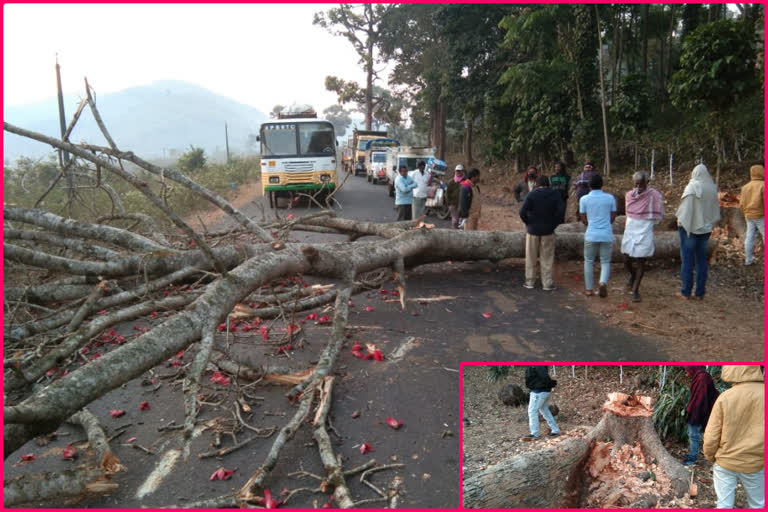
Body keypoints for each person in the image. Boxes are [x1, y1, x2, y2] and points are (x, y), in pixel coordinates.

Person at [703, 365, 764, 509]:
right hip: (755, 463)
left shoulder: (726, 397)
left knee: (724, 505)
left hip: (725, 461)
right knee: (758, 504)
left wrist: (711, 457)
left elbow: (711, 435)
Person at [676, 164, 720, 300]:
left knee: (687, 260)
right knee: (701, 261)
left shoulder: (692, 187)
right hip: (705, 229)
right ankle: (700, 293)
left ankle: (686, 292)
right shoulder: (712, 188)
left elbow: (685, 211)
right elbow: (714, 210)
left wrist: (681, 222)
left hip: (690, 229)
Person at [621, 171, 664, 302]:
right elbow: (628, 213)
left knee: (641, 261)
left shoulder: (655, 195)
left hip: (645, 230)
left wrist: (647, 220)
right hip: (630, 230)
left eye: (641, 184)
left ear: (647, 183)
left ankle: (635, 290)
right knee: (625, 259)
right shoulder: (629, 195)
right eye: (636, 184)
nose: (639, 187)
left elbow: (658, 214)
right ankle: (633, 276)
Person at [519, 175, 565, 291]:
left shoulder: (532, 194)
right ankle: (547, 283)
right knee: (547, 258)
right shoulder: (555, 194)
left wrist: (528, 222)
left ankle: (529, 282)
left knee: (531, 257)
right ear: (548, 183)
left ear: (537, 184)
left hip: (533, 230)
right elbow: (561, 212)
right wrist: (554, 224)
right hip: (548, 230)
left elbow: (522, 211)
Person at [579, 174, 617, 297]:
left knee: (589, 261)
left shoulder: (584, 199)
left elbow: (583, 218)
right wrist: (605, 224)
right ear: (602, 185)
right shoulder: (610, 198)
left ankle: (589, 289)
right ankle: (602, 282)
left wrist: (590, 224)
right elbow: (612, 217)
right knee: (605, 261)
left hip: (591, 234)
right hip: (606, 233)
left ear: (589, 185)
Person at [682, 365, 719, 466]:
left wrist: (695, 413)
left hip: (700, 409)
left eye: (686, 371)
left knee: (694, 435)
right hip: (698, 408)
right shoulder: (698, 377)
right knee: (693, 434)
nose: (686, 373)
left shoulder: (702, 378)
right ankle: (692, 455)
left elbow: (701, 397)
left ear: (692, 369)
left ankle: (692, 459)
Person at [522, 366, 560, 441]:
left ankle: (534, 434)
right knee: (545, 411)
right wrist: (550, 384)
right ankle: (555, 430)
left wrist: (550, 383)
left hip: (539, 391)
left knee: (532, 411)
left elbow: (544, 376)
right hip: (541, 391)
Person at [739, 164, 764, 266]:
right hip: (761, 215)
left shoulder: (745, 187)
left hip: (748, 216)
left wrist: (745, 212)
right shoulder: (763, 185)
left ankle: (748, 260)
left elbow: (741, 204)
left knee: (749, 237)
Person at [446, 164, 465, 229]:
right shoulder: (451, 182)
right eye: (457, 171)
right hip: (453, 204)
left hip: (462, 204)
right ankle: (454, 232)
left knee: (463, 221)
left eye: (459, 171)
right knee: (455, 220)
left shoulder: (465, 181)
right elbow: (447, 194)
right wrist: (449, 203)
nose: (458, 172)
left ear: (463, 171)